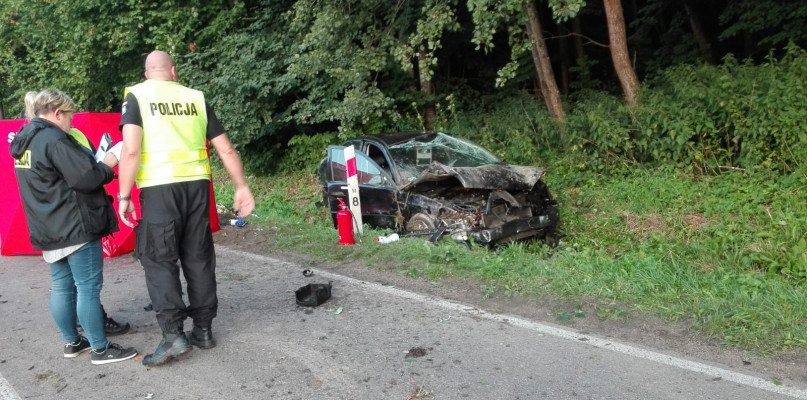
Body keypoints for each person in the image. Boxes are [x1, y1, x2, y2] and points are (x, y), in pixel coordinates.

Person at [118, 50, 255, 366]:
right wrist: (241, 186)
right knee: (198, 256)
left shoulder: (137, 96)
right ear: (173, 71)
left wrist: (124, 196)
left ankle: (173, 335)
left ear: (147, 73)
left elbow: (131, 151)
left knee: (159, 259)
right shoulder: (196, 98)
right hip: (197, 189)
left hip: (158, 190)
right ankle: (203, 330)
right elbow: (226, 149)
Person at [9, 89, 138, 365]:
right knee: (87, 288)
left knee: (61, 287)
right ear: (57, 113)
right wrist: (110, 161)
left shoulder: (25, 140)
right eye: (69, 116)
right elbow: (88, 178)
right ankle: (100, 348)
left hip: (47, 226)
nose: (71, 122)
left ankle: (73, 342)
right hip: (75, 224)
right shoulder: (54, 139)